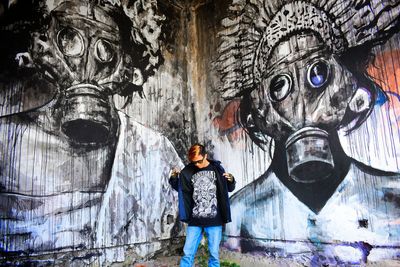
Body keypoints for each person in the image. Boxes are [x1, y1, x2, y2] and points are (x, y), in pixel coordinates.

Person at [169, 143, 236, 267]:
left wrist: (231, 180)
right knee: (187, 253)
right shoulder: (188, 171)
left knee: (214, 255)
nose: (197, 165)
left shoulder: (217, 169)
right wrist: (174, 178)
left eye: (199, 161)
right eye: (194, 162)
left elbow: (228, 188)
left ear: (205, 156)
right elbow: (182, 189)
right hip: (195, 220)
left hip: (214, 220)